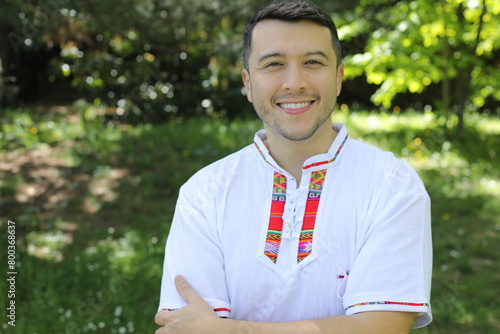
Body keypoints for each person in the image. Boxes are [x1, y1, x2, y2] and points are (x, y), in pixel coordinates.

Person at [154, 0, 432, 333]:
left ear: (339, 77)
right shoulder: (204, 192)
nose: (294, 82)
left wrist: (231, 330)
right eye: (273, 64)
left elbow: (380, 328)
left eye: (313, 62)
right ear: (248, 82)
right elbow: (187, 328)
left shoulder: (393, 184)